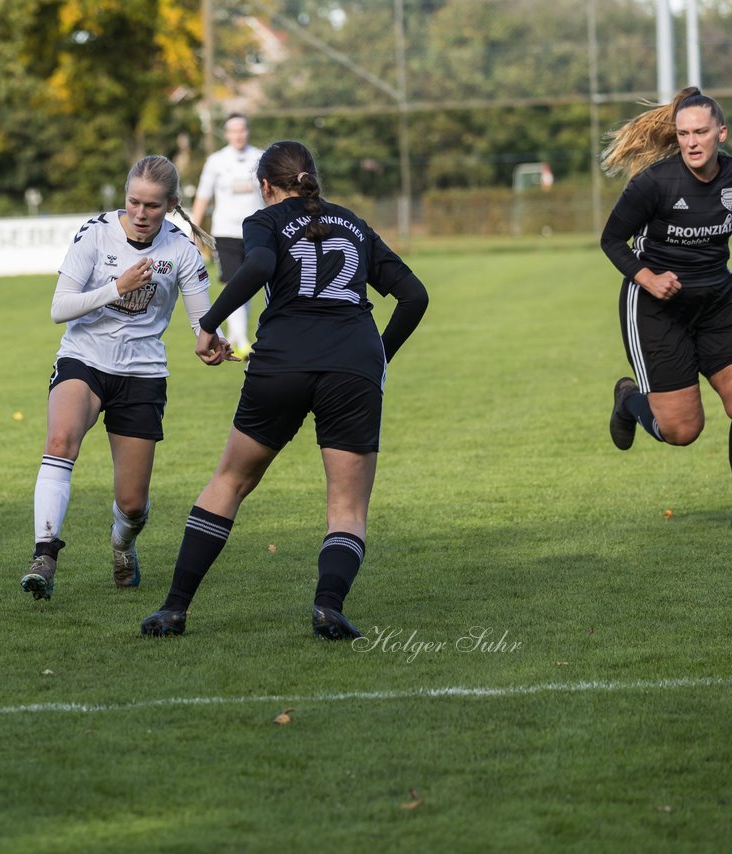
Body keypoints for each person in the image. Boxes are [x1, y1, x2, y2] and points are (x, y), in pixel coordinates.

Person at [139, 140, 429, 639]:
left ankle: (174, 608)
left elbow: (256, 268)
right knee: (347, 506)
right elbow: (414, 296)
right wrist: (378, 356)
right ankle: (328, 606)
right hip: (352, 367)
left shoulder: (264, 221)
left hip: (283, 363)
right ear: (312, 178)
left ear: (266, 187)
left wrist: (209, 325)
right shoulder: (353, 223)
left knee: (230, 482)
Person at [22, 155, 236, 601]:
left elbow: (202, 323)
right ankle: (45, 553)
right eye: (134, 203)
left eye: (153, 206)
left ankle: (123, 543)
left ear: (171, 205)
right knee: (61, 441)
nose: (141, 214)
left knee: (133, 503)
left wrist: (211, 345)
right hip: (84, 359)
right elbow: (59, 308)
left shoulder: (180, 250)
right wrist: (116, 288)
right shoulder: (95, 233)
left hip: (142, 373)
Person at [602, 87, 732, 529]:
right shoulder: (655, 182)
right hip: (656, 309)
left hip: (717, 305)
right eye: (684, 133)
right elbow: (611, 240)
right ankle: (630, 400)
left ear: (720, 133)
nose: (691, 141)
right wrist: (647, 277)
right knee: (682, 431)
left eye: (701, 132)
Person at [191, 113, 265, 359]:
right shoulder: (216, 161)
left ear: (247, 131)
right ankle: (243, 340)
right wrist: (194, 230)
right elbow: (203, 196)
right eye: (233, 130)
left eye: (242, 129)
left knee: (251, 283)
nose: (238, 134)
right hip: (226, 231)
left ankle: (236, 333)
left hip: (257, 231)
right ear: (226, 134)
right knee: (233, 282)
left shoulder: (260, 157)